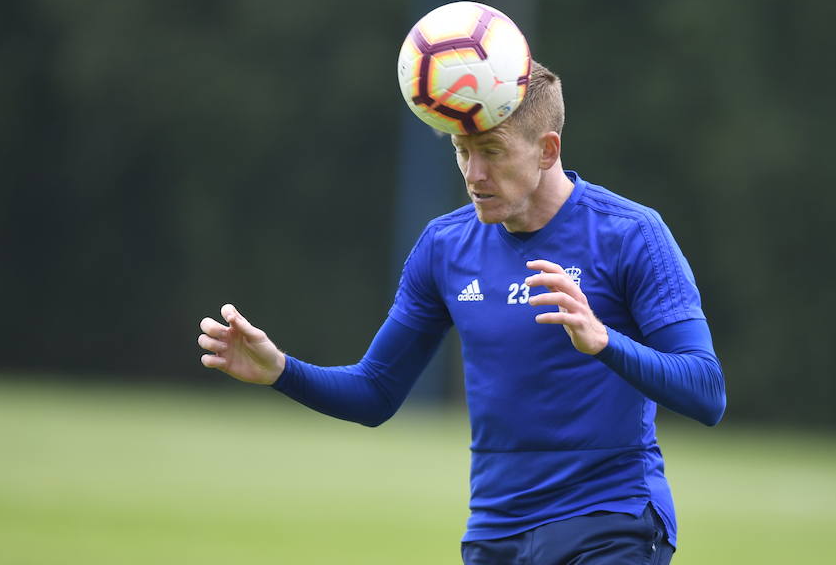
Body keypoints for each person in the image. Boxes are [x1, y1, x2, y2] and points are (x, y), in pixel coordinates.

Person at [197, 60, 726, 565]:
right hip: (494, 535)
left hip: (609, 523)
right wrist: (282, 372)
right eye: (461, 150)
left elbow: (707, 391)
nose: (474, 174)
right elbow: (375, 392)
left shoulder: (631, 235)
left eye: (491, 151)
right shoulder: (445, 247)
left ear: (547, 150)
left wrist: (604, 341)